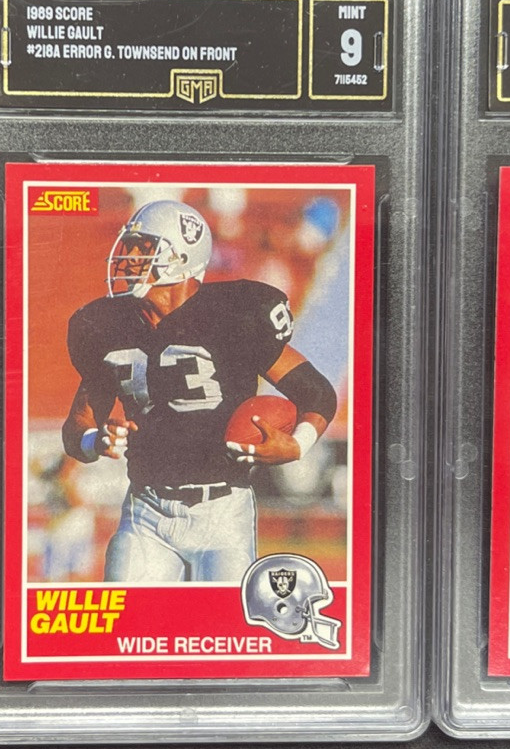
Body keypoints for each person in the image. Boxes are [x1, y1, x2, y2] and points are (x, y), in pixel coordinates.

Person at [60, 199, 338, 582]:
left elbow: (317, 393)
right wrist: (96, 441)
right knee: (129, 618)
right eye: (130, 247)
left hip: (223, 512)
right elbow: (76, 429)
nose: (129, 258)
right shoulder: (106, 326)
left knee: (223, 620)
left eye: (144, 248)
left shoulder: (234, 315)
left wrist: (298, 445)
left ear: (181, 258)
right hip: (145, 512)